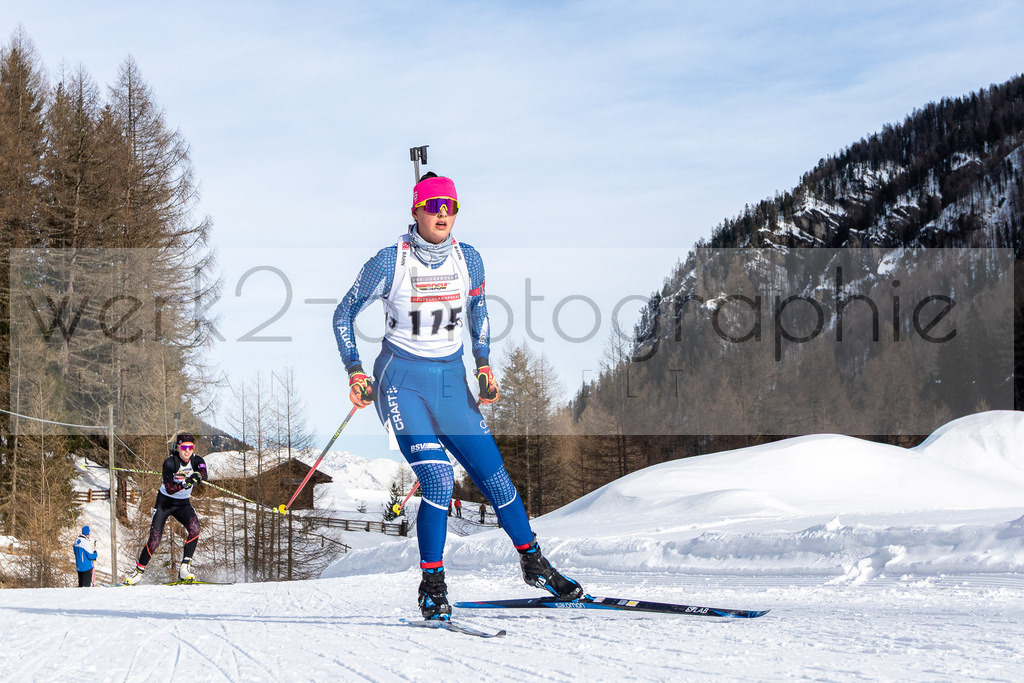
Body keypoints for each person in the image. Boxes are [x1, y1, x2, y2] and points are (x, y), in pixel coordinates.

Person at [333, 172, 583, 620]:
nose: (442, 213)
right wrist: (354, 370)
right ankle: (432, 584)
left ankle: (533, 561)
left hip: (451, 381)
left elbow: (478, 309)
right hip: (402, 381)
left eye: (450, 206)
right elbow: (342, 314)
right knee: (438, 481)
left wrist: (483, 363)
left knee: (495, 476)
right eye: (433, 206)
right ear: (416, 211)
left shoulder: (469, 259)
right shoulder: (389, 261)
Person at [122, 432, 207, 585]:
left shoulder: (197, 460)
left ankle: (184, 569)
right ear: (178, 447)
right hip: (165, 503)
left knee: (195, 529)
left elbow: (203, 472)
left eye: (191, 447)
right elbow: (170, 489)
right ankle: (138, 573)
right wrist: (185, 483)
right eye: (184, 447)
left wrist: (198, 477)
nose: (187, 451)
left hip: (182, 503)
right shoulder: (170, 463)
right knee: (154, 540)